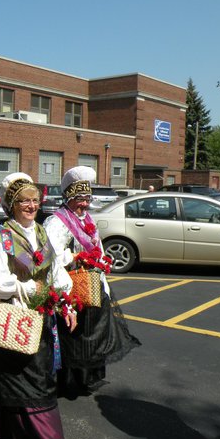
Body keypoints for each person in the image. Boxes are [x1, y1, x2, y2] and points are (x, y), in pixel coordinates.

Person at [0, 172, 77, 439]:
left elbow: (55, 273)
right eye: (24, 201)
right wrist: (24, 287)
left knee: (38, 375)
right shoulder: (3, 238)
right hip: (16, 315)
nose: (31, 206)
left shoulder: (40, 233)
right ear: (12, 205)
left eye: (35, 200)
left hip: (42, 316)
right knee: (24, 378)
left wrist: (66, 302)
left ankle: (23, 430)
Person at [44, 166, 140, 397]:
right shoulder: (56, 222)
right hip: (70, 286)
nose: (84, 204)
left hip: (92, 285)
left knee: (92, 334)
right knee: (72, 336)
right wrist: (75, 257)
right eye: (80, 200)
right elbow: (51, 256)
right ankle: (67, 382)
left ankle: (86, 378)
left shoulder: (88, 220)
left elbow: (96, 247)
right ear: (69, 198)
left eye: (87, 199)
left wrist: (99, 261)